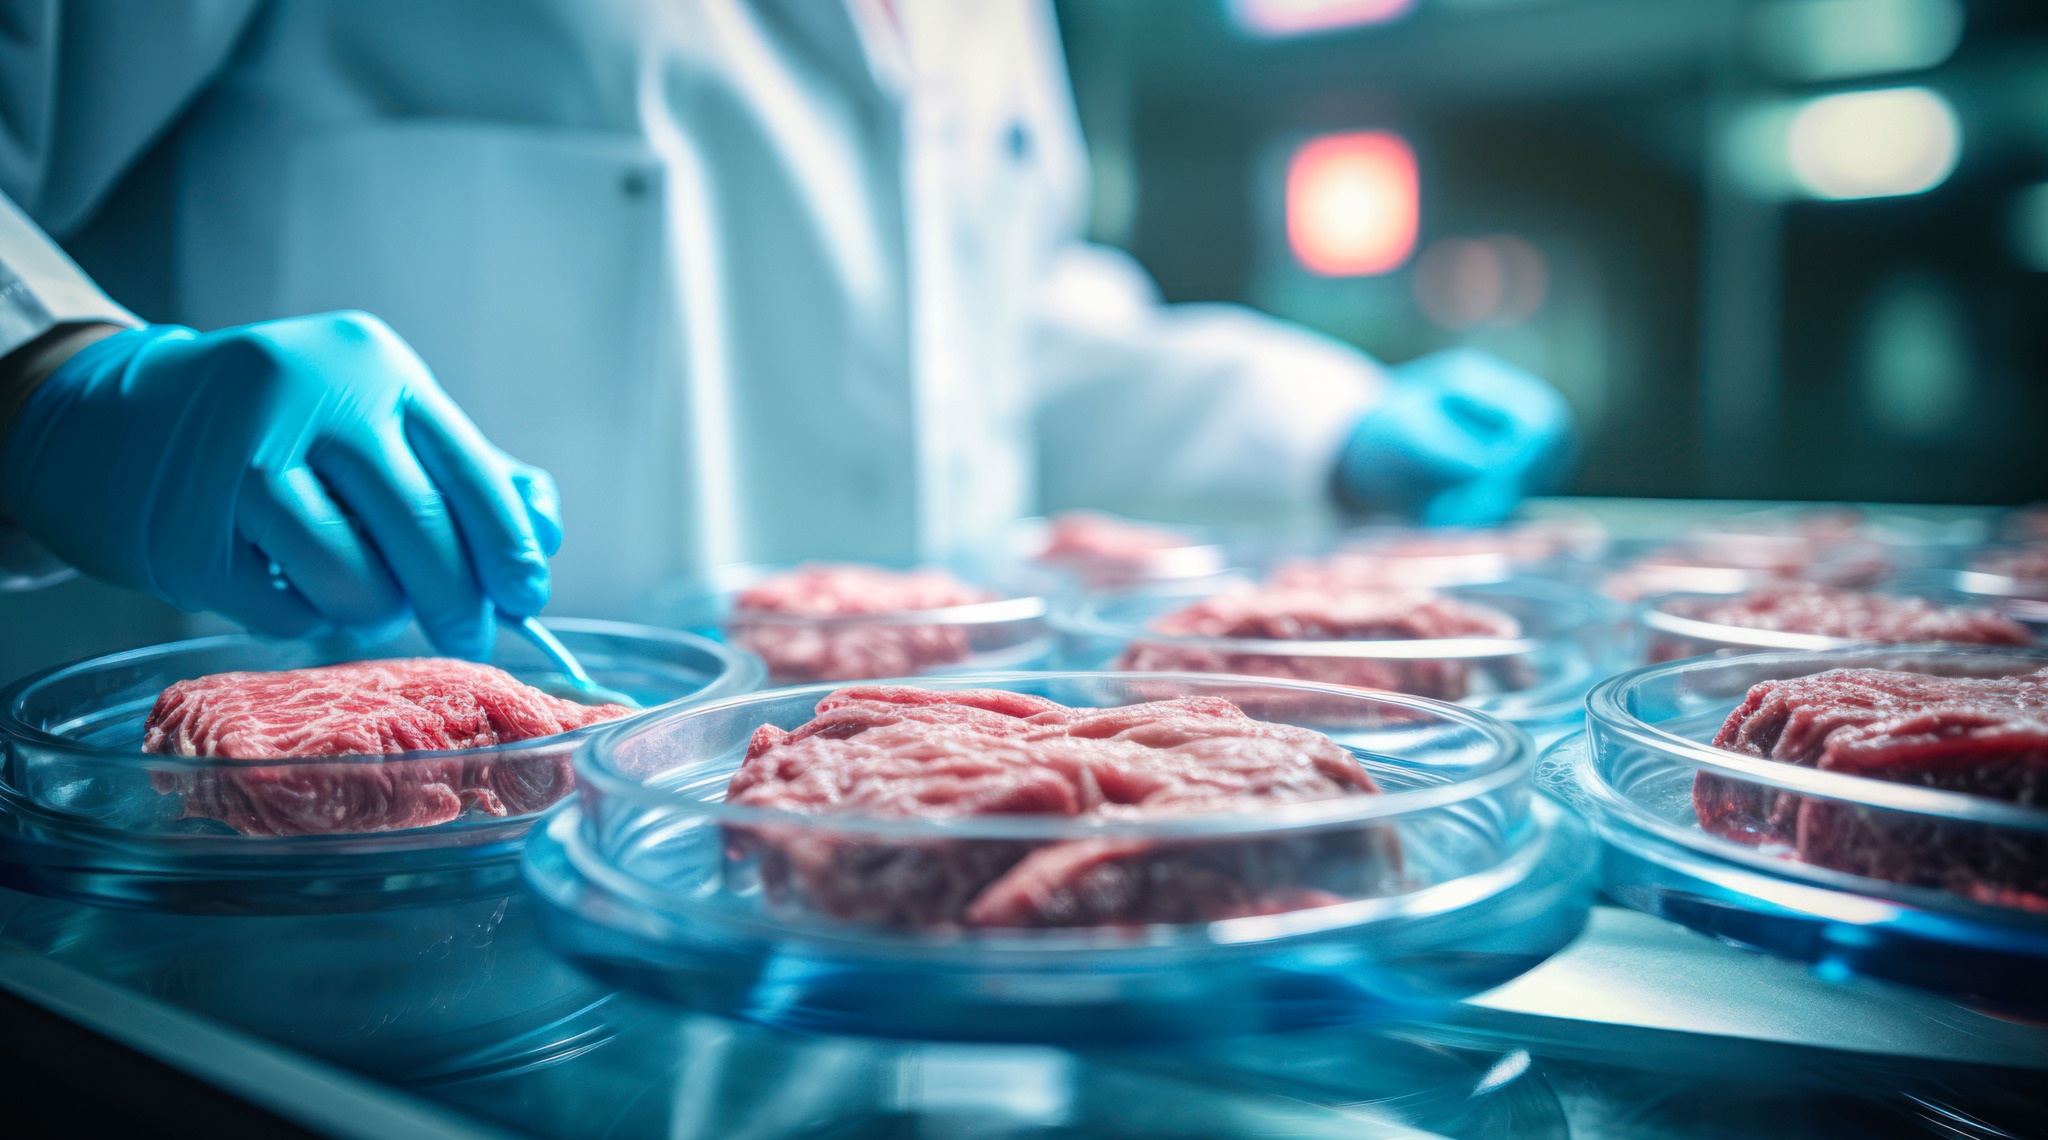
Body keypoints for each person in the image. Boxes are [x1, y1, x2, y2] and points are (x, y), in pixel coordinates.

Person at [0, 0, 1573, 653]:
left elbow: (993, 323)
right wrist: (58, 378)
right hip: (345, 894)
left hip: (911, 866)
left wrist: (1323, 430)